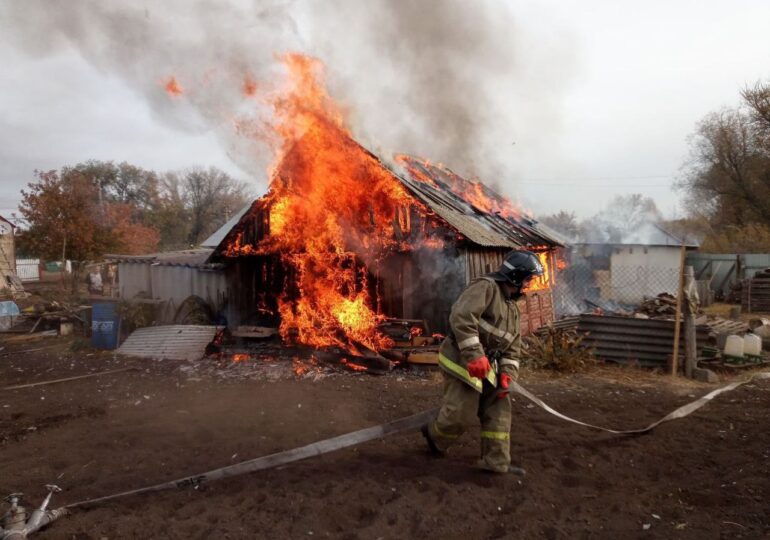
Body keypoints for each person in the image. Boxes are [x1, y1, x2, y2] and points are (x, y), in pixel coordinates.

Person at [422, 250, 544, 474]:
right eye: (528, 279)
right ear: (516, 277)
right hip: (460, 359)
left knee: (499, 409)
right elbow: (461, 316)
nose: (529, 285)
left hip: (490, 368)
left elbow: (513, 346)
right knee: (461, 414)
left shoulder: (512, 309)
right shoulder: (486, 288)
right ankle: (434, 437)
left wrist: (508, 373)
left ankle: (495, 462)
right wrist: (475, 355)